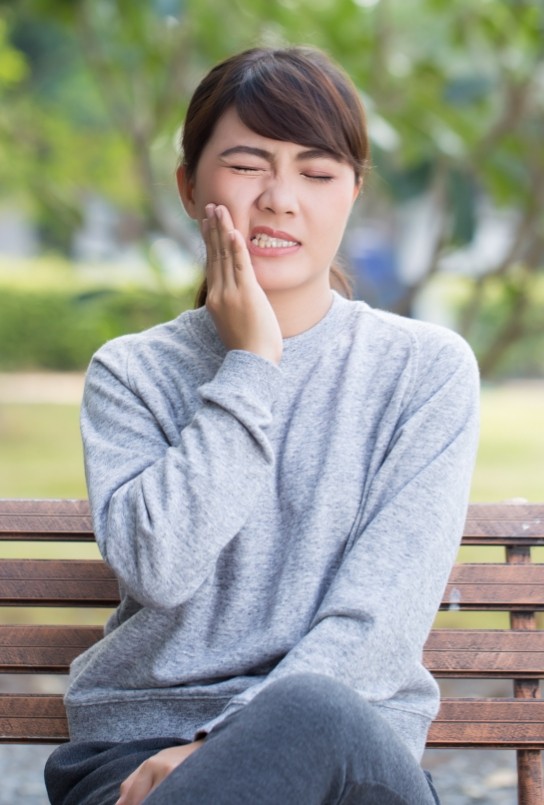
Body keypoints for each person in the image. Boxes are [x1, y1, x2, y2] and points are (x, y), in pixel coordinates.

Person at [44, 46, 479, 805]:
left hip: (351, 759)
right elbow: (161, 567)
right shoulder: (132, 374)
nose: (281, 198)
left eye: (316, 173)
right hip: (137, 756)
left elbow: (375, 625)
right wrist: (251, 364)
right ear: (188, 186)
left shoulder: (425, 370)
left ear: (351, 193)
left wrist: (224, 747)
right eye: (248, 165)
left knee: (310, 709)